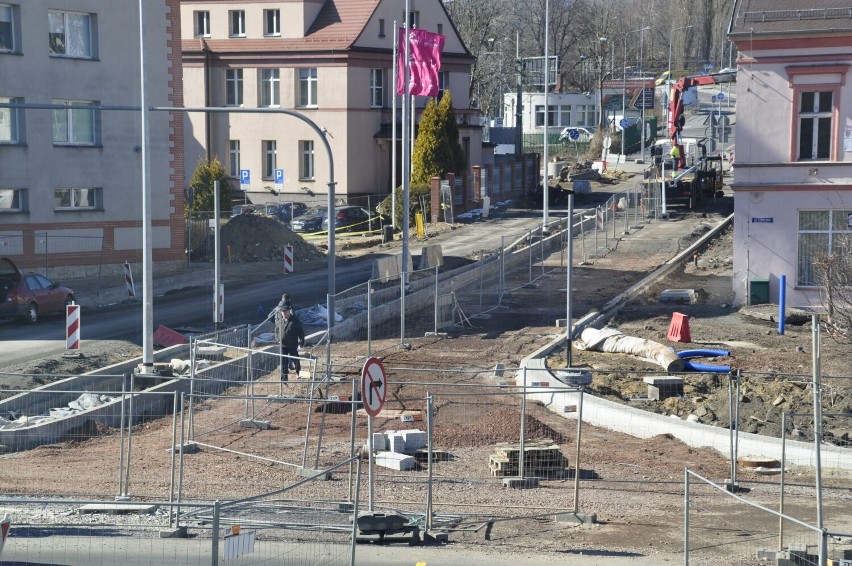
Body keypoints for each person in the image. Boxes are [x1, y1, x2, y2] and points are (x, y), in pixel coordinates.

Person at [275, 302, 304, 381]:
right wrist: (278, 339)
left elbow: (301, 332)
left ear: (288, 311)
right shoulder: (280, 321)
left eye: (285, 312)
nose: (284, 313)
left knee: (296, 360)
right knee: (283, 361)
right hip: (283, 345)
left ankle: (299, 373)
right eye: (282, 312)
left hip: (292, 344)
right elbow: (276, 331)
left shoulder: (294, 321)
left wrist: (301, 343)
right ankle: (284, 376)